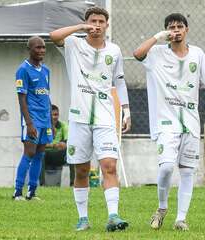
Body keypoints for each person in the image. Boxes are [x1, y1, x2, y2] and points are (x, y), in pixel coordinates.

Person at [133, 13, 205, 231]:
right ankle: (161, 207)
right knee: (167, 167)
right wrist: (158, 36)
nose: (175, 30)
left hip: (190, 121)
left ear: (186, 29)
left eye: (179, 26)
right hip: (165, 122)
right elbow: (137, 54)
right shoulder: (157, 53)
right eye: (171, 27)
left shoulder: (197, 53)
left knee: (188, 171)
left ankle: (181, 219)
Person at [50, 7, 131, 232]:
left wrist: (126, 110)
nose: (96, 24)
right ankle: (83, 218)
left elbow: (120, 82)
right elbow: (53, 36)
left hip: (105, 117)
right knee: (82, 170)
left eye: (101, 21)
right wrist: (79, 28)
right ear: (86, 23)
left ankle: (113, 215)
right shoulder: (74, 44)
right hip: (79, 117)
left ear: (107, 25)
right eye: (92, 21)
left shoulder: (114, 51)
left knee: (109, 165)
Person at [13, 36, 53, 201]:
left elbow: (47, 96)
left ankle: (32, 192)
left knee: (40, 154)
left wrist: (51, 120)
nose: (41, 50)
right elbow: (21, 98)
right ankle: (17, 192)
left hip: (45, 118)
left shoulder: (46, 70)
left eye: (43, 47)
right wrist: (29, 123)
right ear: (29, 49)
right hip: (32, 118)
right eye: (37, 47)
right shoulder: (22, 69)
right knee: (29, 152)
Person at [41, 104, 74, 186]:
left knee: (72, 153)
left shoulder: (63, 125)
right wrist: (53, 145)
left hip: (59, 154)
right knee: (40, 154)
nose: (54, 117)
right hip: (46, 154)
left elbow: (67, 142)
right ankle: (42, 185)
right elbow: (39, 144)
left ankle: (73, 184)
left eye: (56, 114)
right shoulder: (43, 126)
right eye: (51, 115)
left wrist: (64, 144)